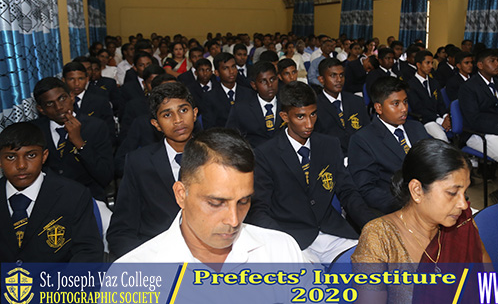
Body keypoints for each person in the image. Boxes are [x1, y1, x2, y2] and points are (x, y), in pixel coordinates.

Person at [117, 128, 305, 264]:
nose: (233, 220)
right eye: (216, 203)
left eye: (243, 201)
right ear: (181, 194)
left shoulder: (281, 250)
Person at [248, 81, 376, 263]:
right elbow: (260, 210)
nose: (309, 124)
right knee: (313, 287)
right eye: (300, 117)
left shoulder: (329, 145)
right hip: (292, 238)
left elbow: (348, 192)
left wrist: (372, 224)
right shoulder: (265, 154)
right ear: (284, 116)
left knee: (371, 268)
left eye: (313, 114)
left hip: (333, 233)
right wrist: (282, 244)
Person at [352, 139, 488, 304]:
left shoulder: (462, 221)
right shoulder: (380, 236)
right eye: (452, 193)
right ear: (417, 190)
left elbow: (488, 284)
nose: (463, 204)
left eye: (464, 192)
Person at [107, 82, 198, 259]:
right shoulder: (139, 163)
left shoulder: (216, 156)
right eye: (167, 114)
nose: (178, 120)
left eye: (183, 110)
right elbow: (121, 229)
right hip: (156, 254)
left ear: (194, 113)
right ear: (156, 124)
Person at [0, 122, 103, 263]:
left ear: (44, 156)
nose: (21, 165)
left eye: (31, 155)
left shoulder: (73, 195)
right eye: (11, 157)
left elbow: (88, 252)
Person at [348, 77, 430, 214]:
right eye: (396, 104)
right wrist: (409, 203)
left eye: (405, 102)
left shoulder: (417, 127)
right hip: (397, 208)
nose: (404, 109)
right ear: (379, 108)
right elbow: (366, 189)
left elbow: (430, 165)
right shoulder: (362, 140)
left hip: (429, 198)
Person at [31, 77, 114, 205]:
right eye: (49, 103)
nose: (58, 107)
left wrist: (80, 144)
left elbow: (105, 176)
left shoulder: (96, 126)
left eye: (62, 98)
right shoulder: (35, 130)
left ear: (71, 97)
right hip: (49, 201)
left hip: (88, 198)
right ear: (41, 109)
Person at [459, 49, 498, 178]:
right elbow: (474, 120)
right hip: (478, 132)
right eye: (492, 61)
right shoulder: (469, 87)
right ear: (480, 65)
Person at [314, 58, 369, 155]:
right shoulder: (314, 106)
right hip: (330, 158)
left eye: (341, 75)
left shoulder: (357, 101)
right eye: (333, 76)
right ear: (321, 79)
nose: (339, 80)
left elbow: (368, 131)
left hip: (360, 154)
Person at [226, 61, 284, 148]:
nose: (270, 84)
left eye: (272, 79)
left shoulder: (287, 104)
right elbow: (230, 138)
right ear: (254, 85)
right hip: (254, 156)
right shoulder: (241, 108)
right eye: (263, 81)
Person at [62, 62, 116, 143]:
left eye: (80, 79)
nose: (76, 83)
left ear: (87, 79)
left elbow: (109, 130)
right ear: (64, 80)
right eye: (71, 79)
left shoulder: (100, 101)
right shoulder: (60, 103)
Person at [407, 51, 450, 142]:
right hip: (424, 120)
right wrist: (439, 120)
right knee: (442, 138)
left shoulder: (434, 82)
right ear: (418, 65)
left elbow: (440, 103)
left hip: (438, 117)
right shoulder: (411, 85)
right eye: (427, 63)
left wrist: (446, 117)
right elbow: (418, 108)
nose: (431, 66)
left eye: (432, 63)